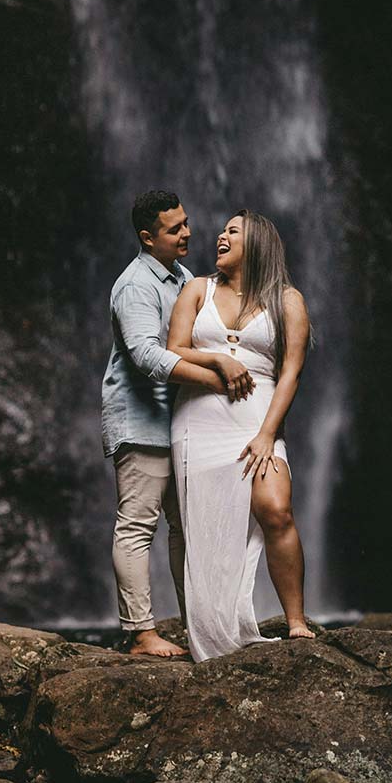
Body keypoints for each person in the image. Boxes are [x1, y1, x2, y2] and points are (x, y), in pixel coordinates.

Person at [102, 189, 255, 659]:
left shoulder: (183, 277)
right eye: (175, 229)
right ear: (148, 238)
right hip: (139, 420)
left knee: (185, 526)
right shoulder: (136, 286)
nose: (188, 233)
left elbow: (187, 339)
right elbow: (146, 355)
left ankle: (200, 626)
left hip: (177, 421)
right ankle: (139, 633)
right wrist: (215, 372)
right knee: (137, 525)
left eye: (186, 223)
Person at [166, 208, 316, 661]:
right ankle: (214, 628)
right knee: (205, 528)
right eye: (223, 230)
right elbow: (173, 351)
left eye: (233, 231)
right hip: (197, 421)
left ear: (259, 243)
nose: (220, 236)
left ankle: (296, 621)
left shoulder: (288, 300)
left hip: (256, 423)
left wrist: (269, 433)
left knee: (276, 508)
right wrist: (218, 360)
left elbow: (290, 373)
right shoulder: (197, 290)